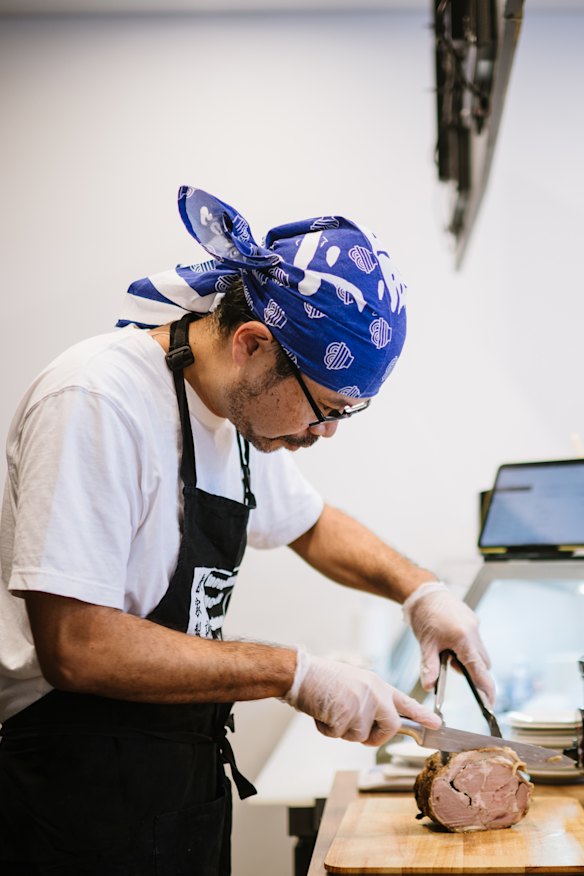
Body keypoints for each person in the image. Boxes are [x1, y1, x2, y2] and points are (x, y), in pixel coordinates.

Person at [0, 186, 494, 876]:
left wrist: (422, 593)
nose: (323, 434)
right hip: (69, 794)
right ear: (252, 343)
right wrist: (293, 673)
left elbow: (310, 524)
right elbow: (77, 646)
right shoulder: (97, 400)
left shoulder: (235, 411)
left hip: (177, 781)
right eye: (326, 410)